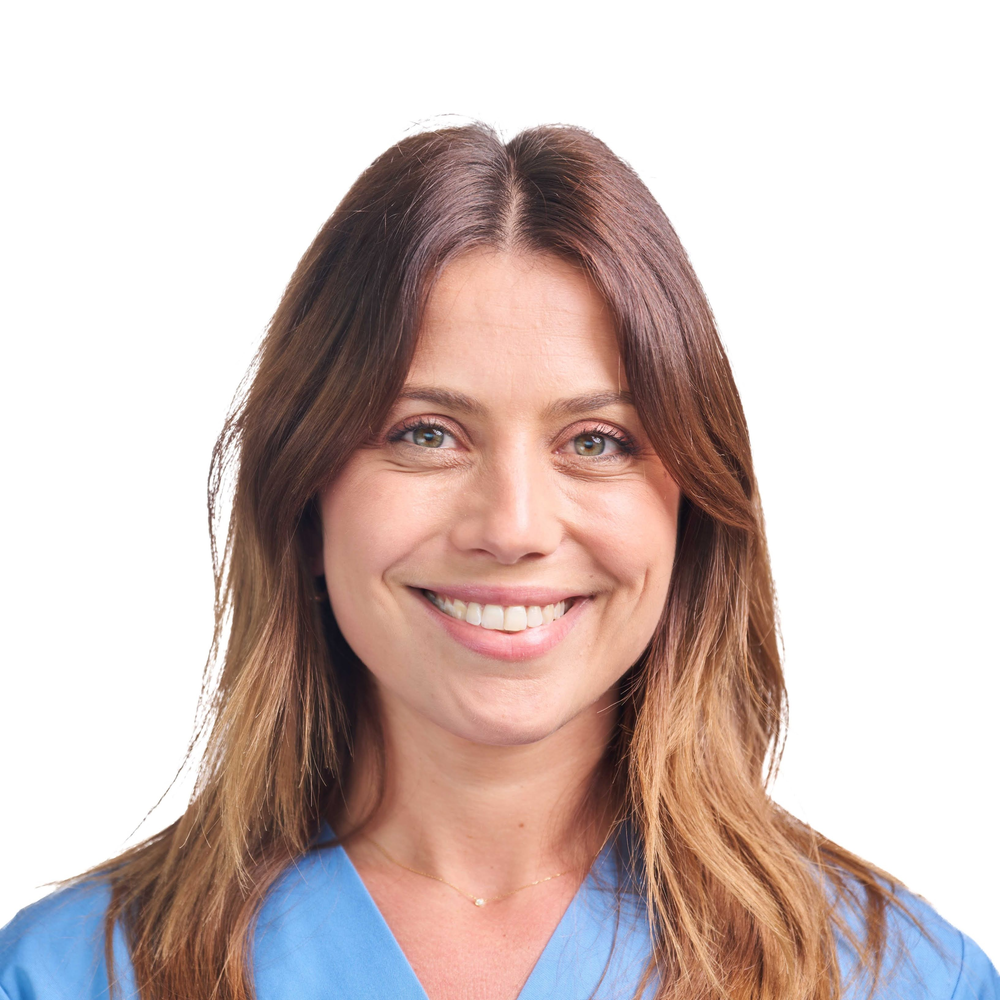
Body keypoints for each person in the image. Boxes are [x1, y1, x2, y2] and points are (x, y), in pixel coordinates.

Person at [0, 123, 996, 1000]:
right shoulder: (70, 976)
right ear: (303, 502)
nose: (513, 526)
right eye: (426, 433)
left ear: (691, 509)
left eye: (596, 440)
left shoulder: (895, 979)